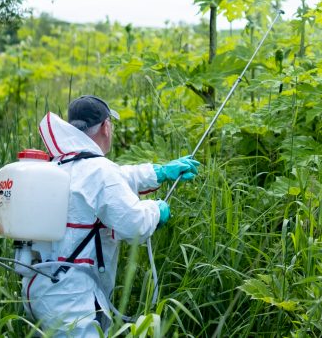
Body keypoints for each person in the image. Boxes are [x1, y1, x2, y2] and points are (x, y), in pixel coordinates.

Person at [23, 94, 200, 336]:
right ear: (106, 127)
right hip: (72, 295)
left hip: (41, 285)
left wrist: (159, 172)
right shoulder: (98, 169)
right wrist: (156, 211)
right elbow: (134, 224)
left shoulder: (60, 165)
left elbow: (116, 179)